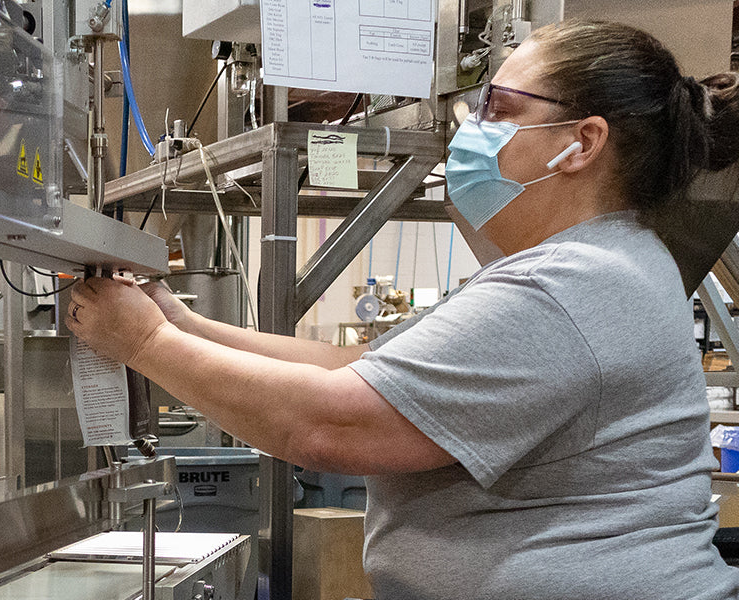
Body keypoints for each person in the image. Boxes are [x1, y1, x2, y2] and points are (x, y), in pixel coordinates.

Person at [67, 19, 739, 599]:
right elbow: (364, 367)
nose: (473, 130)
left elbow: (330, 426)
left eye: (500, 108)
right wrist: (183, 324)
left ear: (582, 142)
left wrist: (147, 344)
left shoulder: (574, 286)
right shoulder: (593, 264)